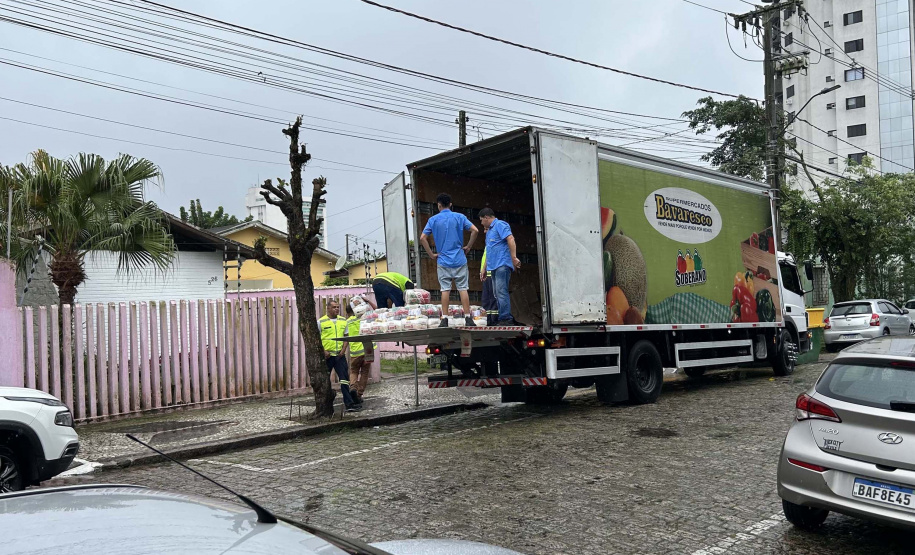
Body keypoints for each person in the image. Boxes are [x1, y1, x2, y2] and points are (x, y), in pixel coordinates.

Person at [420, 193, 479, 327]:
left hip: (443, 260)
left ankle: (445, 319)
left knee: (445, 290)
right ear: (451, 204)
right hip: (459, 259)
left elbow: (422, 238)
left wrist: (431, 254)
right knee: (463, 289)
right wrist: (468, 246)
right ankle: (468, 318)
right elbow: (475, 230)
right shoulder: (459, 217)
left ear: (438, 205)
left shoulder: (433, 220)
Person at [479, 207, 521, 326]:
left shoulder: (500, 225)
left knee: (501, 292)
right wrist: (484, 268)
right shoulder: (489, 231)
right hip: (493, 267)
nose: (481, 223)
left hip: (502, 265)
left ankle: (506, 318)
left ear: (487, 218)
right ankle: (503, 316)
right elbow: (489, 250)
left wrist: (513, 257)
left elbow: (510, 239)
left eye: (482, 220)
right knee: (497, 293)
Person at [319, 300, 360, 412]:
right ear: (328, 308)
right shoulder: (321, 322)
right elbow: (316, 339)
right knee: (325, 381)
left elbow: (346, 336)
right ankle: (325, 406)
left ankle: (349, 404)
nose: (336, 309)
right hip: (327, 356)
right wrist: (324, 351)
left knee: (344, 380)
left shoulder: (343, 321)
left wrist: (343, 350)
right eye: (334, 307)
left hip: (339, 355)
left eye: (337, 307)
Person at [345, 301, 375, 404]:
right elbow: (376, 311)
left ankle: (353, 387)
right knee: (364, 373)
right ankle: (359, 394)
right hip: (367, 351)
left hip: (355, 353)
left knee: (354, 371)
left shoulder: (347, 322)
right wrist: (367, 301)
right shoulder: (365, 319)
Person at [479, 244, 498, 326]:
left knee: (493, 299)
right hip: (486, 275)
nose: (485, 232)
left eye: (486, 230)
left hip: (491, 273)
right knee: (486, 299)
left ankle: (493, 319)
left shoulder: (493, 243)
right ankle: (487, 319)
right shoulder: (487, 245)